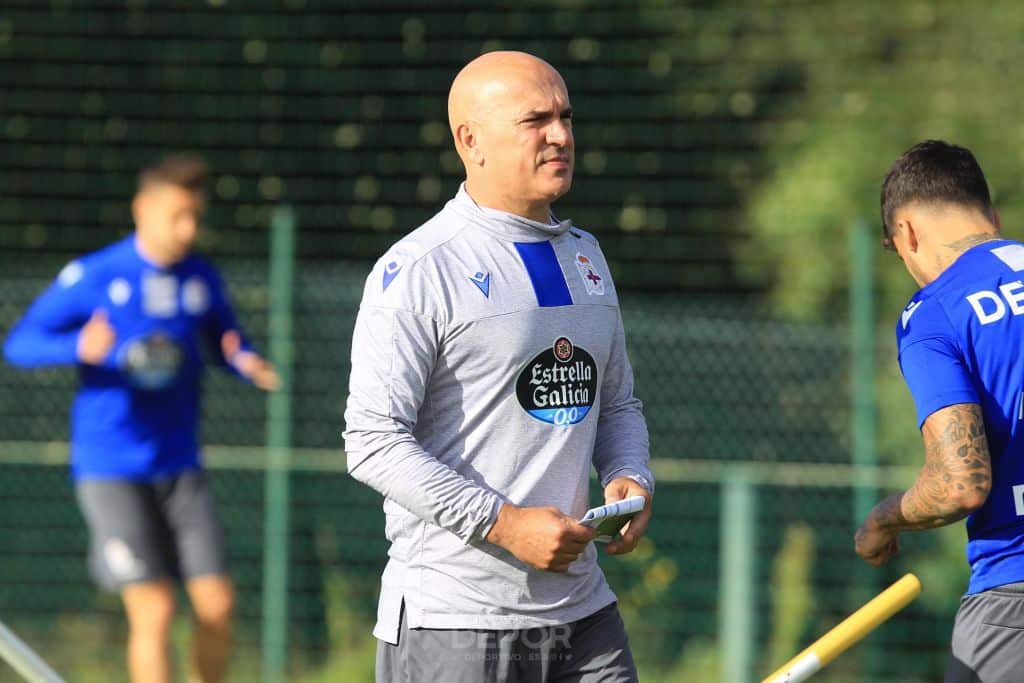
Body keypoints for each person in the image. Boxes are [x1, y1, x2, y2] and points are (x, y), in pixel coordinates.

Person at [343, 51, 654, 682]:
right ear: (470, 141)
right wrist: (506, 524)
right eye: (535, 120)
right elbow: (371, 442)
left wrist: (629, 475)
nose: (561, 134)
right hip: (455, 621)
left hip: (584, 615)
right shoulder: (421, 270)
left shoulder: (587, 258)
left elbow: (616, 403)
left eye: (565, 116)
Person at [4, 154, 278, 683]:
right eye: (178, 216)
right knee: (154, 610)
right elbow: (21, 344)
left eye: (196, 216)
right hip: (111, 470)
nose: (188, 229)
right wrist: (80, 347)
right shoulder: (97, 275)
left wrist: (242, 359)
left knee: (217, 605)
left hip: (180, 465)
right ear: (142, 209)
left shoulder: (200, 277)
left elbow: (224, 339)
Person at [855, 139, 1024, 681]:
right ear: (991, 216)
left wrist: (883, 519)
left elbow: (961, 483)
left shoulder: (934, 312)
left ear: (906, 235)